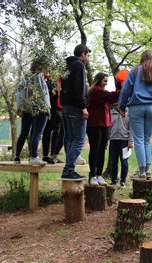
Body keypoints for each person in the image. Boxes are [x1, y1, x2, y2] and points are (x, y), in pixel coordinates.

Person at [118, 50, 152, 179]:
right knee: (146, 140)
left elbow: (126, 90)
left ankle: (141, 172)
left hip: (136, 107)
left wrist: (122, 106)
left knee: (139, 140)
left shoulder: (135, 71)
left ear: (142, 59)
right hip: (151, 108)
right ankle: (148, 170)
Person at [60, 44, 90, 180]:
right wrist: (83, 106)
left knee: (71, 139)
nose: (87, 57)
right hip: (75, 107)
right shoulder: (78, 65)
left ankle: (68, 169)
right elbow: (79, 88)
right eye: (87, 54)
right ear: (82, 54)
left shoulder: (67, 65)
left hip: (66, 106)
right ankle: (69, 170)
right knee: (79, 140)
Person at [86, 72, 121, 185]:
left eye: (107, 81)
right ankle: (92, 175)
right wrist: (121, 87)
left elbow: (112, 100)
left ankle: (99, 175)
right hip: (94, 124)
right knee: (95, 150)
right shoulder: (95, 90)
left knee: (101, 150)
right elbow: (111, 96)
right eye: (105, 80)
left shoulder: (102, 92)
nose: (106, 83)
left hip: (105, 124)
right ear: (99, 80)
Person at [16, 58, 51, 165]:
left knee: (32, 133)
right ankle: (29, 156)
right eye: (46, 67)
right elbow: (22, 94)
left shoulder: (31, 77)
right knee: (31, 133)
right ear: (41, 67)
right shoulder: (37, 78)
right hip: (34, 109)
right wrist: (47, 108)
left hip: (32, 108)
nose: (48, 70)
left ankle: (31, 155)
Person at [109, 70, 133, 187]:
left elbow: (131, 128)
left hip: (124, 140)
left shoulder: (128, 112)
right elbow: (108, 127)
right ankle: (114, 180)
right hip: (113, 139)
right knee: (113, 162)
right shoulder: (111, 112)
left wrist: (130, 142)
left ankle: (123, 181)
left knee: (124, 161)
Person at [42, 73, 64, 164]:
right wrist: (53, 92)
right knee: (47, 132)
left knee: (58, 133)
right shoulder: (47, 83)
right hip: (51, 111)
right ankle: (45, 155)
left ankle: (54, 155)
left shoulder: (62, 84)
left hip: (60, 111)